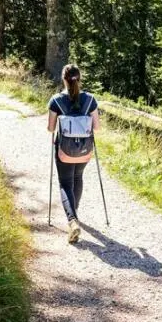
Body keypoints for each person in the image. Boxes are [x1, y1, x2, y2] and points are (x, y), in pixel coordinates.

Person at [47, 64, 100, 243]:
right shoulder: (90, 99)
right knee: (78, 178)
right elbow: (97, 128)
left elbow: (51, 128)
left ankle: (72, 220)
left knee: (65, 183)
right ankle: (74, 216)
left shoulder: (56, 100)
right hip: (84, 150)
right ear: (80, 78)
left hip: (64, 149)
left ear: (64, 78)